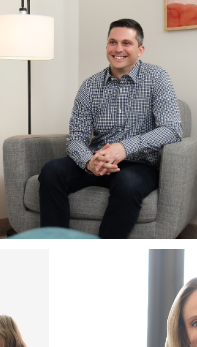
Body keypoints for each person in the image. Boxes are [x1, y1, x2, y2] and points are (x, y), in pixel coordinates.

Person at [38, 18, 183, 239]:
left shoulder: (157, 78)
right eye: (112, 42)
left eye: (126, 43)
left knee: (128, 183)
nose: (118, 49)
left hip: (139, 164)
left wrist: (124, 147)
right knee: (51, 171)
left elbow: (172, 129)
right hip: (97, 160)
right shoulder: (90, 86)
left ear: (140, 49)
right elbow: (76, 137)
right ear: (106, 46)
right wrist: (89, 161)